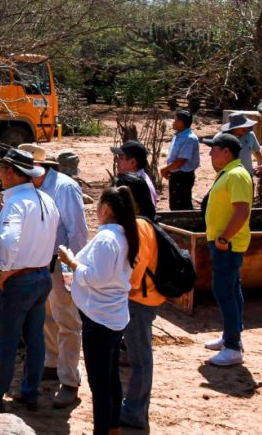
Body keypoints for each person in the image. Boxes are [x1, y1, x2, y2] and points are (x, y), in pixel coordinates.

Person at [0, 148, 59, 414]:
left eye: (1, 170)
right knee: (35, 339)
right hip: (42, 274)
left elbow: (8, 240)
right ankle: (30, 392)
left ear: (10, 172)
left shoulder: (16, 204)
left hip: (19, 279)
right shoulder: (45, 199)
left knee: (6, 341)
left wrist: (4, 270)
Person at [57, 186, 138, 435]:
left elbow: (97, 277)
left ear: (106, 208)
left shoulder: (107, 238)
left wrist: (71, 262)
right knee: (111, 378)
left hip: (99, 320)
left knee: (100, 385)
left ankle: (103, 430)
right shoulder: (124, 235)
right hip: (113, 315)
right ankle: (113, 428)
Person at [18, 143, 88, 409]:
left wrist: (73, 268)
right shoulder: (31, 187)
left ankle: (70, 380)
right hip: (39, 263)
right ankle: (52, 363)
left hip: (61, 262)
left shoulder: (64, 187)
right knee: (46, 315)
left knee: (68, 320)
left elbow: (77, 231)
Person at [114, 172, 164, 430]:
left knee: (140, 358)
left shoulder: (140, 226)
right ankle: (135, 407)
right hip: (142, 298)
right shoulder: (142, 223)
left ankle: (134, 411)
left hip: (139, 300)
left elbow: (136, 269)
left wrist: (118, 288)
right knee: (138, 356)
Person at [199, 132, 253, 366]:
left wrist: (224, 238)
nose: (210, 152)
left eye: (214, 148)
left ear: (226, 152)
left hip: (228, 244)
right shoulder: (229, 173)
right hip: (224, 243)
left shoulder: (237, 175)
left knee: (223, 292)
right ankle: (232, 336)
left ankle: (232, 346)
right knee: (232, 289)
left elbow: (241, 211)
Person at [160, 110, 200, 210]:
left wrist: (165, 169)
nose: (173, 122)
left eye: (176, 120)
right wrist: (168, 169)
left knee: (182, 205)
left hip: (183, 176)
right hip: (176, 175)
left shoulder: (188, 138)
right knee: (175, 204)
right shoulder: (178, 135)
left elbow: (181, 160)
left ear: (182, 122)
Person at [111, 140, 159, 209]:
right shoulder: (140, 178)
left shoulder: (137, 184)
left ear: (133, 162)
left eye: (121, 158)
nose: (117, 161)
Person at [220, 112, 262, 177]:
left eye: (246, 125)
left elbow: (257, 152)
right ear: (234, 127)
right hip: (229, 177)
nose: (245, 128)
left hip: (248, 175)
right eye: (242, 126)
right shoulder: (222, 138)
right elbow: (216, 159)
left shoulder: (250, 135)